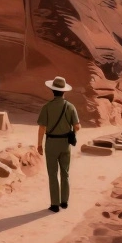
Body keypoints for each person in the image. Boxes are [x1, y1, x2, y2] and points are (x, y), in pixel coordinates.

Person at [37, 76, 80, 212]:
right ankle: (64, 202)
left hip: (51, 144)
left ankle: (54, 204)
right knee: (65, 173)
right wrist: (72, 133)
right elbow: (77, 126)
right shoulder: (70, 107)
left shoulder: (47, 107)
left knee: (52, 174)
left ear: (52, 91)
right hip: (65, 143)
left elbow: (42, 128)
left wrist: (39, 144)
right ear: (64, 92)